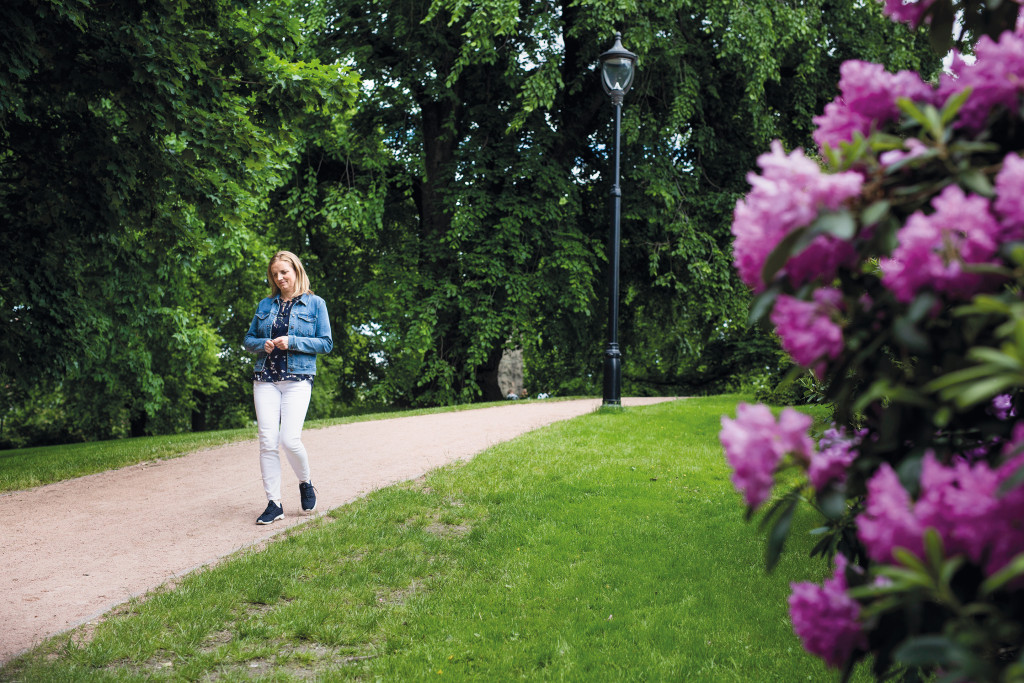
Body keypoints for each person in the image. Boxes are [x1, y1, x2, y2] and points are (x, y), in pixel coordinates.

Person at [243, 251, 333, 524]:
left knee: (288, 439)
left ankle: (305, 482)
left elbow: (326, 343)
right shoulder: (265, 305)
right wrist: (263, 344)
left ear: (296, 270)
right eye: (275, 274)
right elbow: (248, 340)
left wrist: (292, 341)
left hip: (297, 380)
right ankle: (274, 503)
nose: (280, 278)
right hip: (265, 379)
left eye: (284, 272)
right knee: (267, 442)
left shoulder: (315, 304)